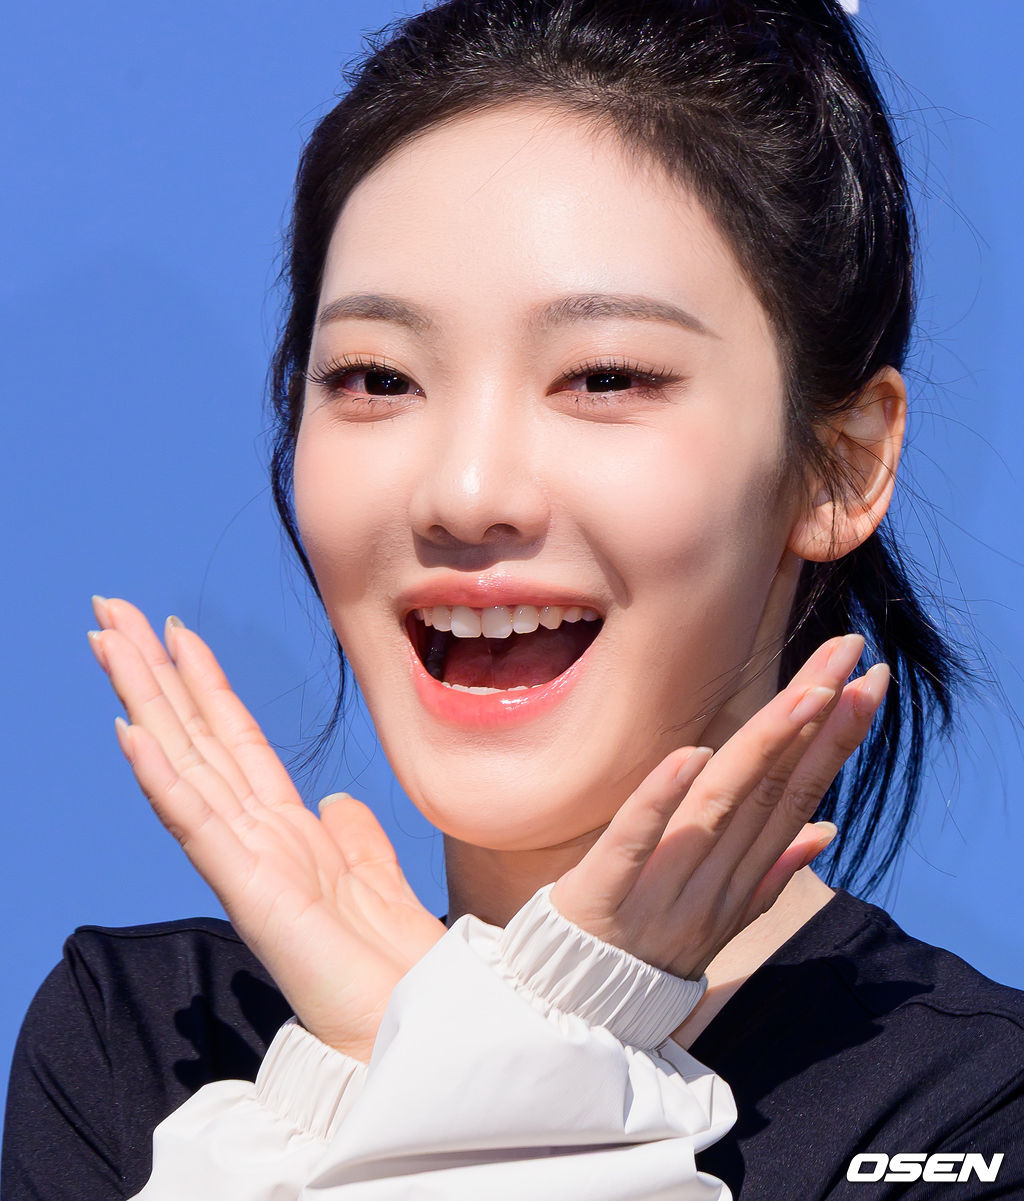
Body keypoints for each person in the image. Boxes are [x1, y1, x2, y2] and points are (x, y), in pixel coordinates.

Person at [4, 0, 1023, 1197]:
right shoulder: (151, 1048)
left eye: (605, 376)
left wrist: (475, 1081)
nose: (466, 491)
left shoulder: (976, 1110)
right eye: (376, 377)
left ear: (838, 465)